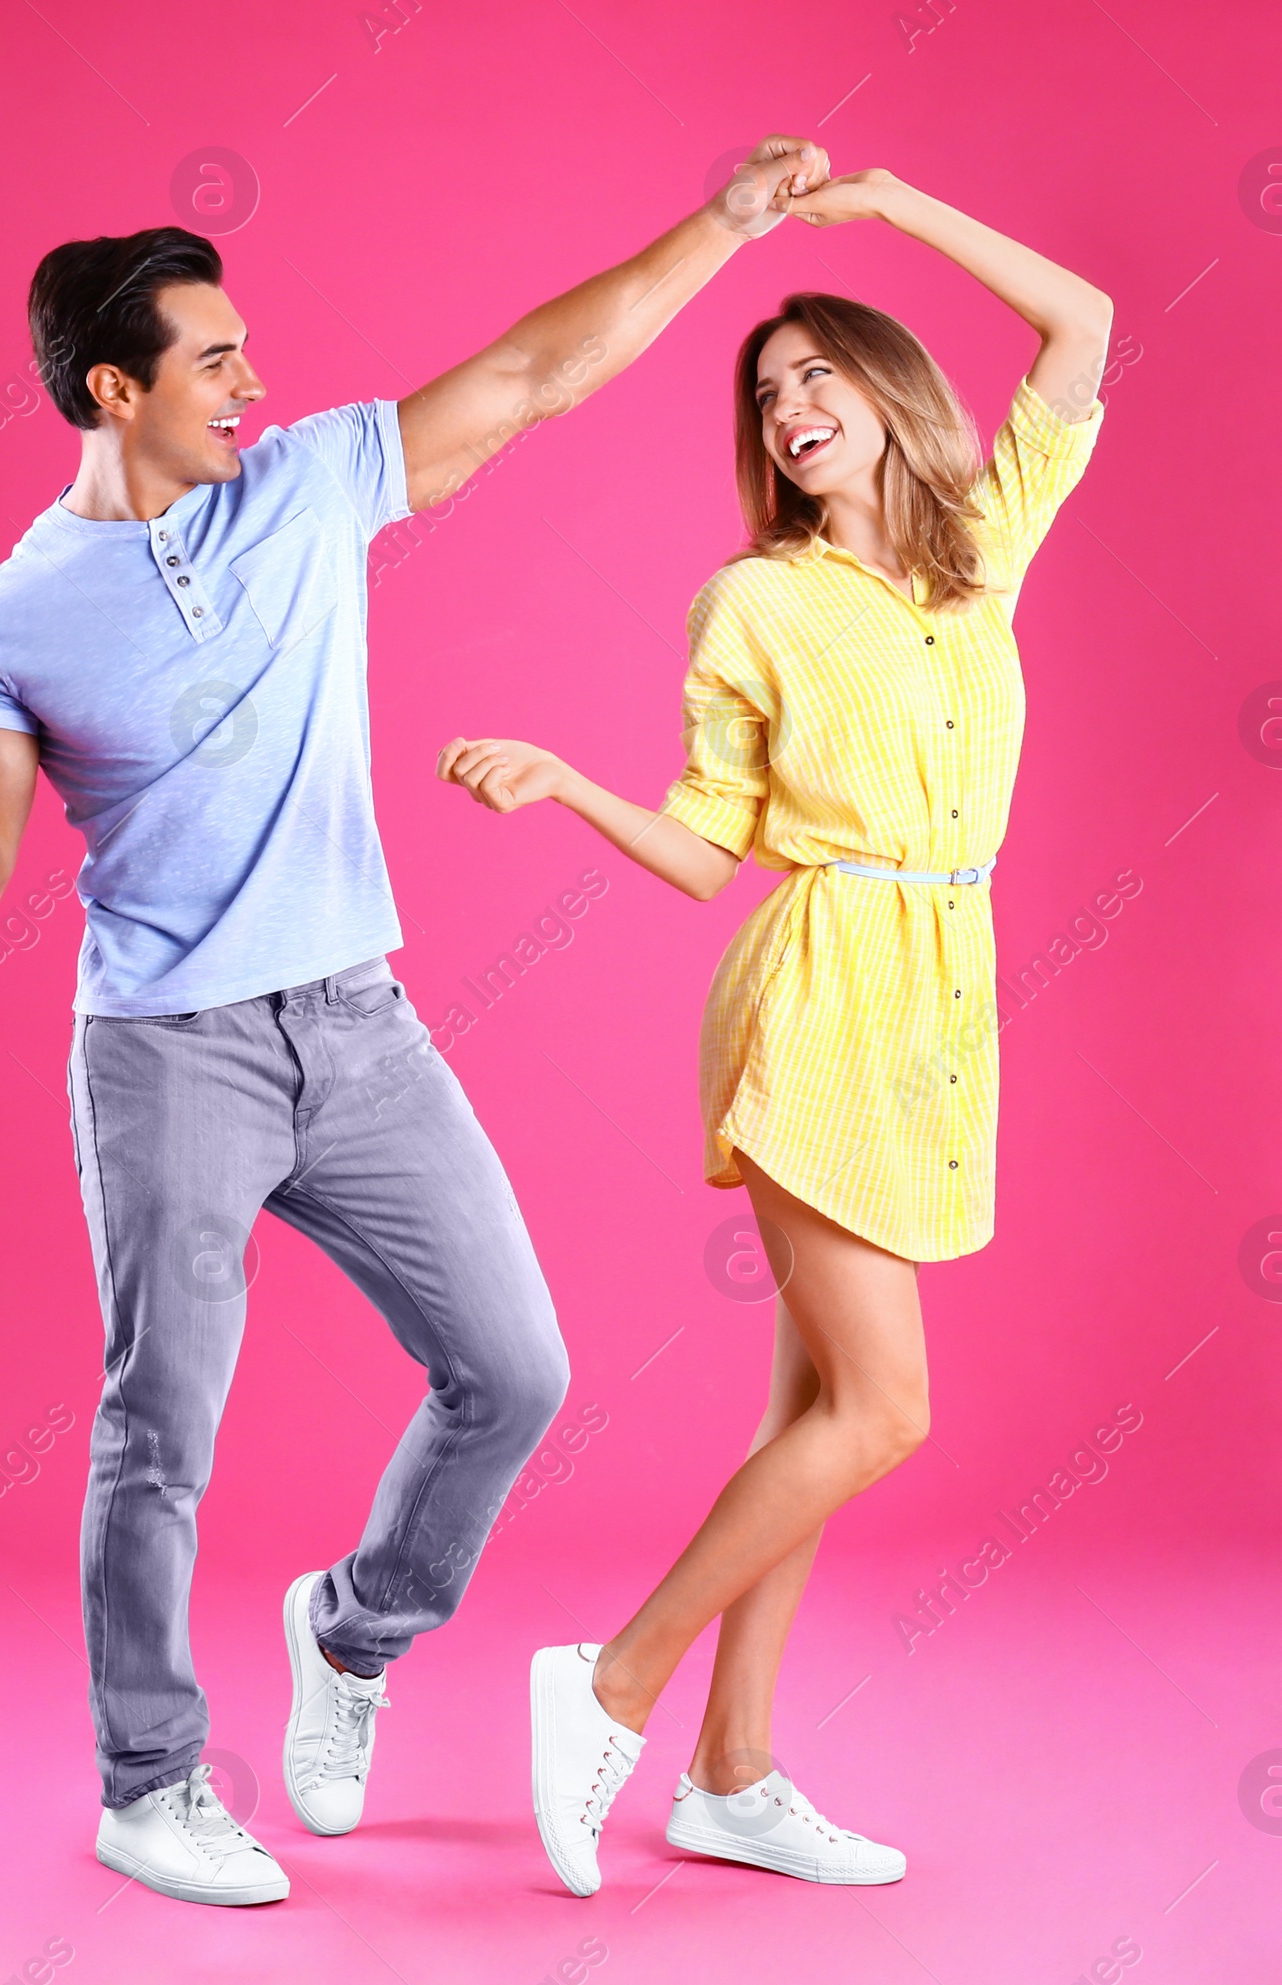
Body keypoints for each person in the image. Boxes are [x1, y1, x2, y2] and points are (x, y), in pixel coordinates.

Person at [0, 135, 833, 1909]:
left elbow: (540, 371)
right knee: (158, 1429)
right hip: (169, 1052)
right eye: (217, 360)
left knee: (516, 1367)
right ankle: (148, 1782)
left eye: (250, 352)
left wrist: (718, 221)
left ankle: (355, 1625)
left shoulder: (306, 488)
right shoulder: (10, 616)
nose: (258, 380)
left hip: (358, 1025)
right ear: (115, 388)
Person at [437, 163, 1111, 1897]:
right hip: (816, 992)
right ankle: (610, 1682)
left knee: (806, 1407)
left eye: (817, 377)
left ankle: (732, 1774)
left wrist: (889, 209)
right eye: (766, 396)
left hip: (942, 992)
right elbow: (704, 851)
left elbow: (1081, 321)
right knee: (885, 1411)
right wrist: (575, 784)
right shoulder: (752, 602)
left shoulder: (981, 553)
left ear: (887, 392)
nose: (791, 409)